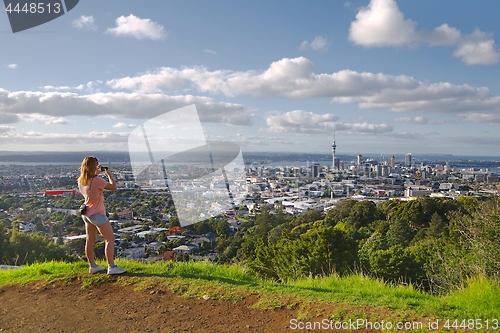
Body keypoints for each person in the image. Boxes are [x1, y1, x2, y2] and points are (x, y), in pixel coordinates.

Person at [78, 156, 126, 275]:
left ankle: (92, 266)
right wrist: (108, 174)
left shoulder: (81, 180)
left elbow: (91, 184)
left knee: (89, 241)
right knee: (110, 239)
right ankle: (111, 267)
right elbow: (113, 187)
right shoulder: (97, 181)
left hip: (87, 213)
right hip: (97, 214)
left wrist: (96, 173)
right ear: (94, 166)